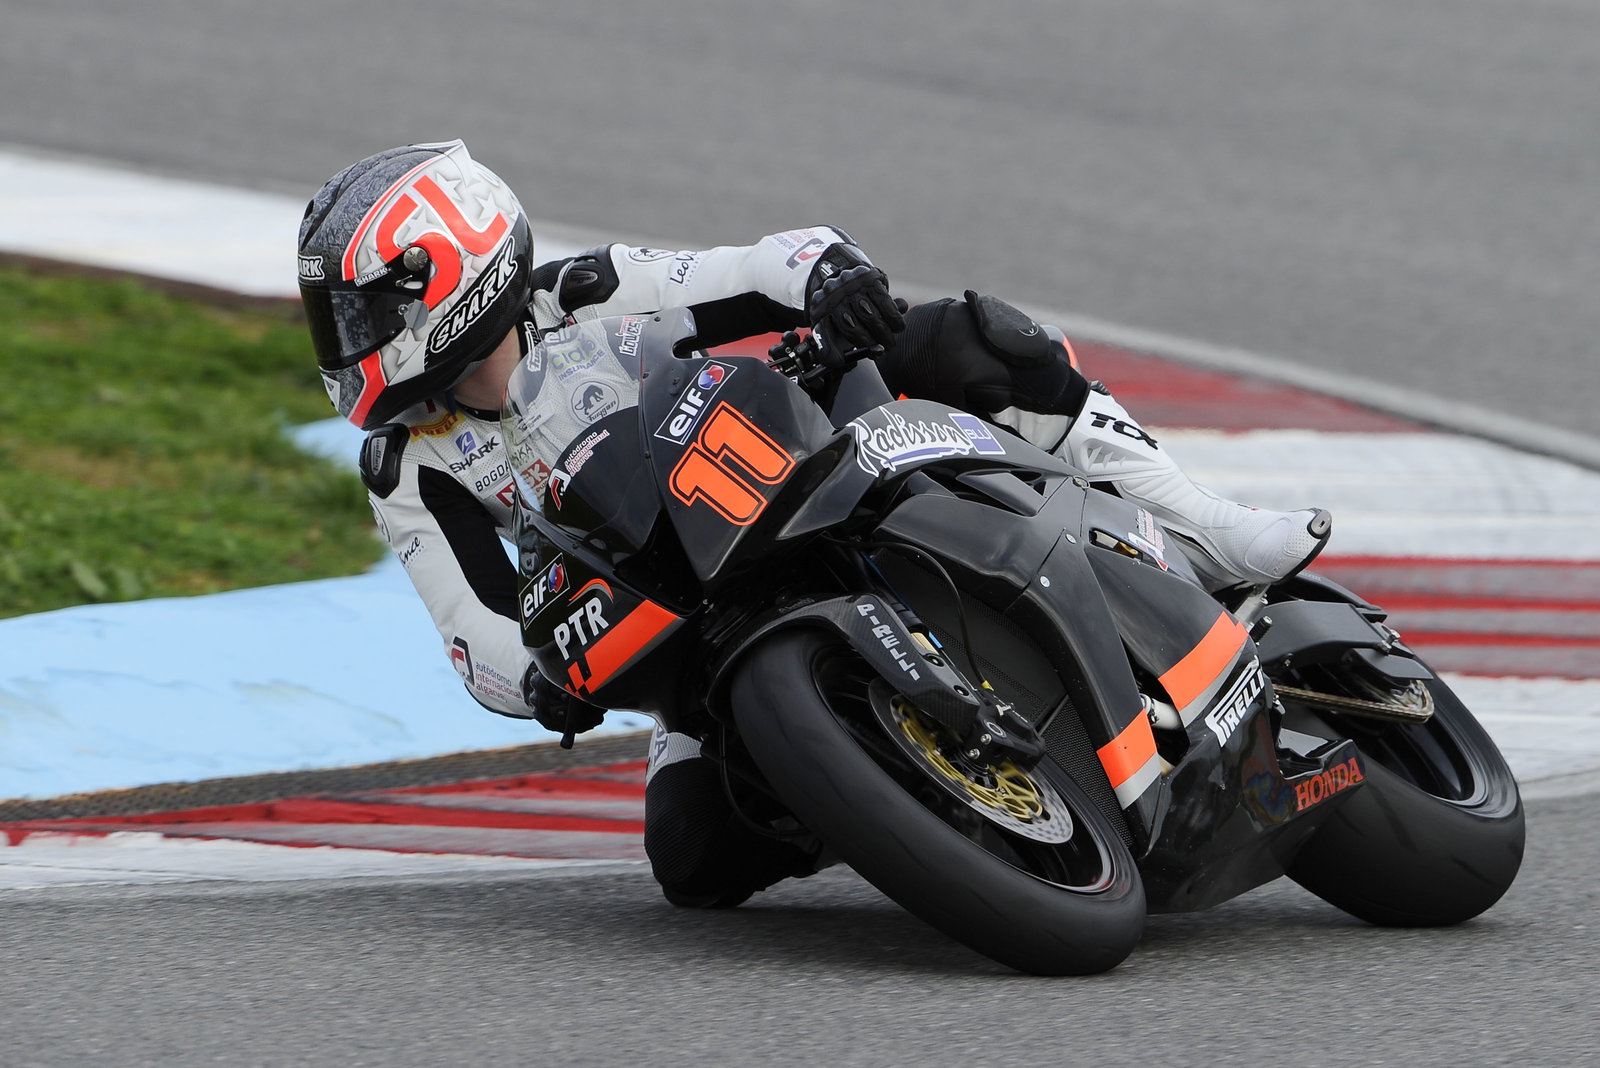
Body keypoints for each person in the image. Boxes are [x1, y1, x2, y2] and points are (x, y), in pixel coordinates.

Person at [297, 140, 1331, 907]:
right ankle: (885, 785)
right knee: (691, 859)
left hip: (790, 475)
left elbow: (754, 265)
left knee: (971, 337)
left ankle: (1201, 527)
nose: (346, 345)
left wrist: (830, 279)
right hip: (678, 626)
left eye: (360, 315)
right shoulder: (403, 462)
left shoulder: (587, 290)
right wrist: (533, 677)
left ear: (450, 269)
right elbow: (466, 627)